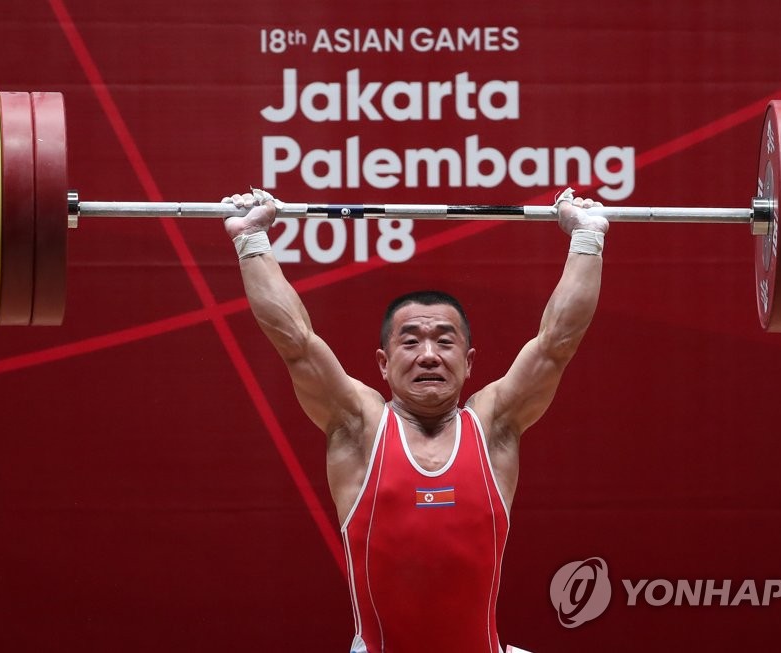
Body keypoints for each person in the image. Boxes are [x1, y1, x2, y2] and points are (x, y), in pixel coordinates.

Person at [223, 188, 607, 653]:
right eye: (410, 341)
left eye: (444, 341)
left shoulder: (494, 424)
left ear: (468, 361)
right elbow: (296, 342)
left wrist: (587, 238)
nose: (428, 354)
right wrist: (252, 240)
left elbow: (556, 343)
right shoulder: (359, 426)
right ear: (383, 364)